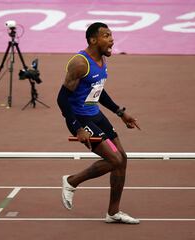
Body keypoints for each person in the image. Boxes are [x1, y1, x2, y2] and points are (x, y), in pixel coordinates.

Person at [57, 22, 140, 224]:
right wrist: (77, 128)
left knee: (123, 159)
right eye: (106, 35)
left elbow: (98, 90)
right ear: (93, 40)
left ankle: (113, 213)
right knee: (115, 160)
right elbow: (61, 99)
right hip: (80, 118)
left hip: (95, 114)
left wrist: (120, 112)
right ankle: (71, 181)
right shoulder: (80, 63)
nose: (111, 39)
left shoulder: (102, 59)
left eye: (111, 35)